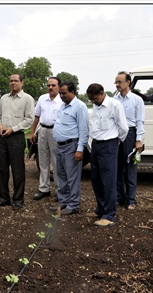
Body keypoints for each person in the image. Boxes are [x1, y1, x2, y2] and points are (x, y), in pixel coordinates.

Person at [86, 83, 128, 227]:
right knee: (96, 179)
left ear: (102, 93)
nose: (93, 101)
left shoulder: (114, 105)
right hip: (96, 145)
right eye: (91, 100)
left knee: (108, 181)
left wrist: (116, 141)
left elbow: (124, 127)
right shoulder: (97, 106)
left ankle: (109, 215)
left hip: (109, 145)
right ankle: (101, 209)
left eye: (95, 98)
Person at [0, 73, 35, 210]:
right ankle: (3, 198)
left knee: (17, 170)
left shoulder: (27, 99)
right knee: (1, 169)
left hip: (16, 137)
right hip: (2, 137)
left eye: (16, 81)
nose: (13, 83)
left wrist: (13, 129)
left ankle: (18, 199)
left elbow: (29, 119)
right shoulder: (4, 98)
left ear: (22, 83)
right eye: (11, 81)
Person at [53, 81, 89, 215]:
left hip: (71, 146)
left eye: (64, 93)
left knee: (72, 177)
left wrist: (80, 149)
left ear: (73, 92)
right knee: (61, 175)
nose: (61, 96)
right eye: (60, 93)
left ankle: (73, 204)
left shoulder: (80, 106)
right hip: (60, 146)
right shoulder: (63, 106)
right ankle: (64, 201)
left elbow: (84, 130)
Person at [114, 72, 145, 210]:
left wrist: (138, 140)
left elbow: (140, 121)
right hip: (117, 135)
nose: (117, 85)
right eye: (116, 82)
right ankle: (120, 197)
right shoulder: (114, 100)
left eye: (120, 82)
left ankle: (131, 200)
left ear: (128, 82)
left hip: (131, 135)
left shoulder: (137, 100)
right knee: (117, 168)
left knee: (130, 168)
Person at [29, 77, 62, 201]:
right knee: (43, 160)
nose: (51, 87)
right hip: (42, 129)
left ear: (58, 86)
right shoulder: (42, 98)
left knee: (56, 161)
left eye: (53, 85)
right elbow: (36, 116)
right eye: (49, 85)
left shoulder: (62, 100)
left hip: (56, 131)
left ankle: (59, 190)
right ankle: (44, 188)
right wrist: (32, 132)